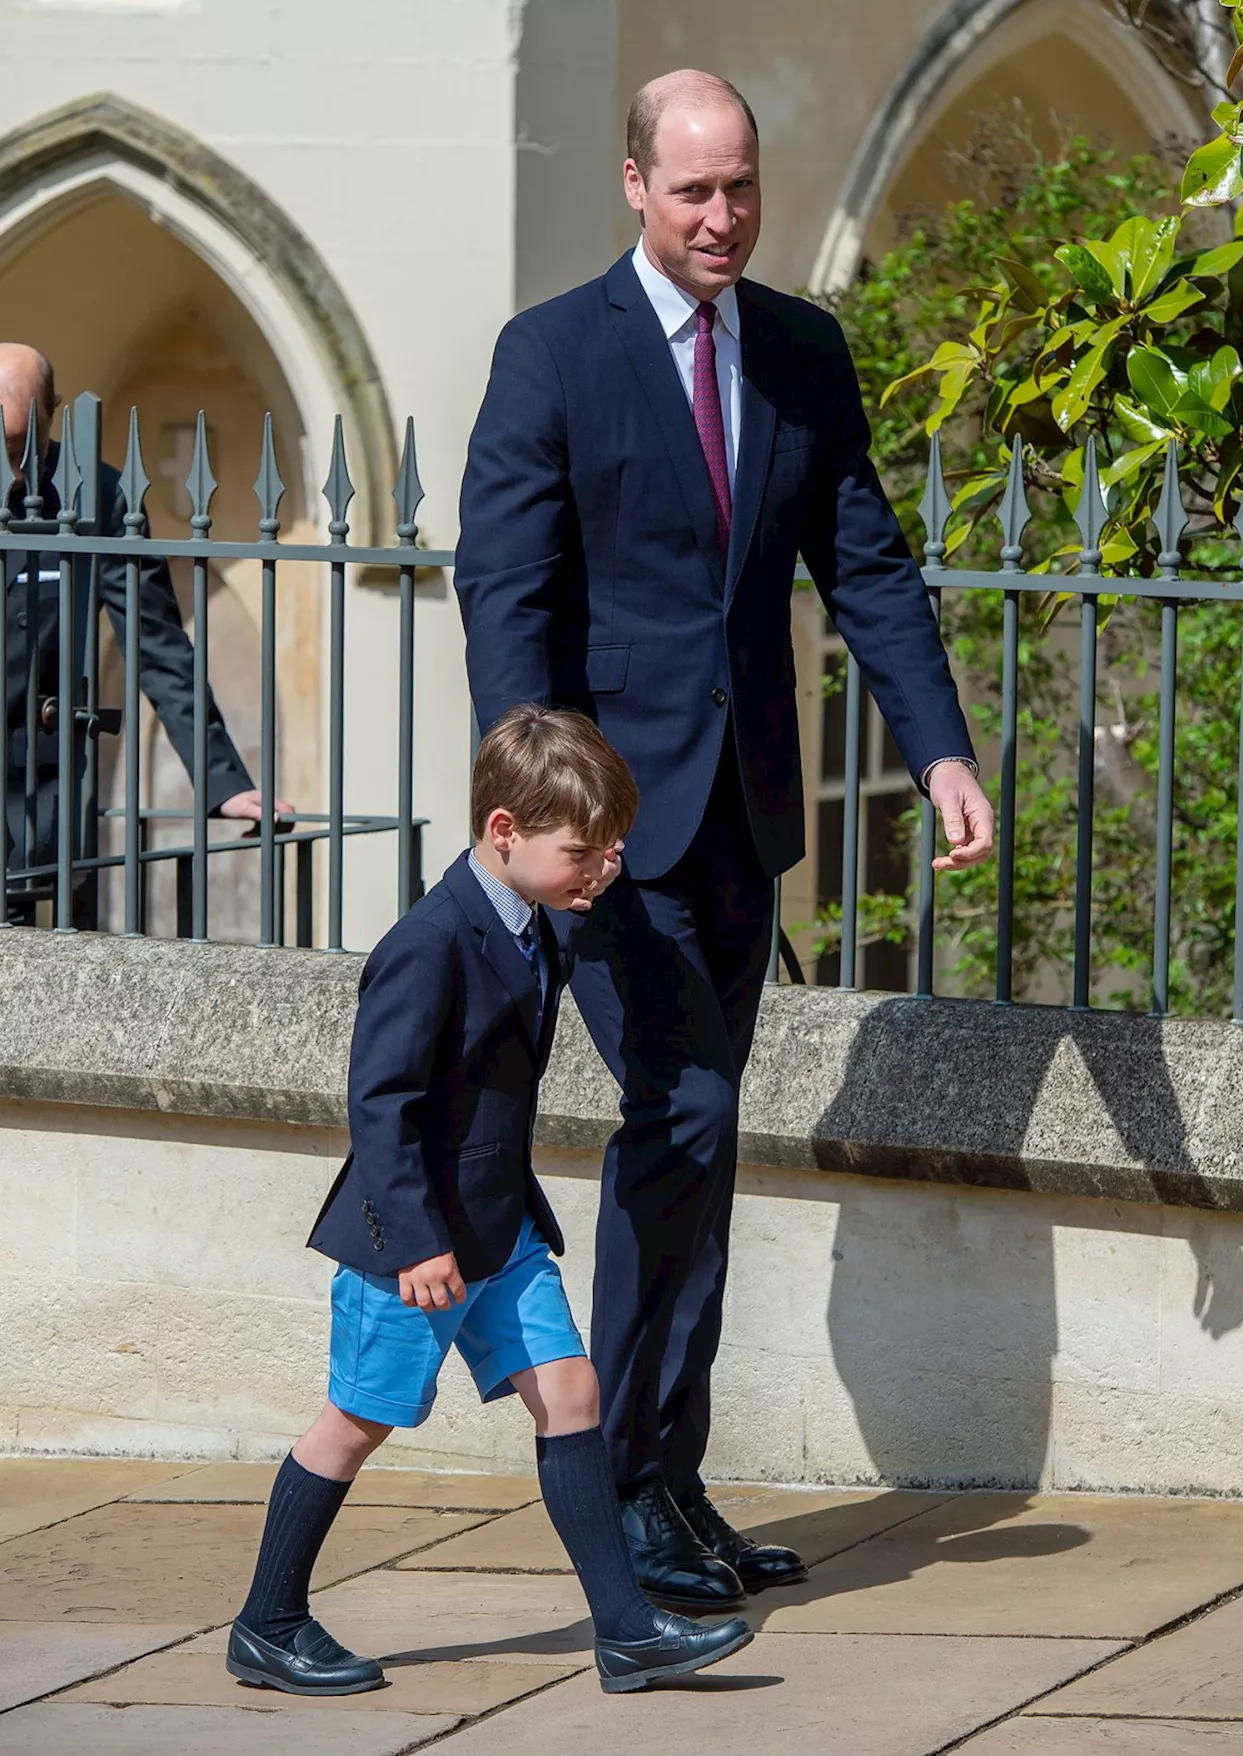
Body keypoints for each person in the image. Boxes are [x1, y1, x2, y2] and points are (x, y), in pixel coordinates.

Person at [454, 70, 996, 1608]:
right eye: (692, 191)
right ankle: (624, 1484)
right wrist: (547, 806)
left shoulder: (805, 352)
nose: (722, 217)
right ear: (634, 186)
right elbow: (508, 593)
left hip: (745, 813)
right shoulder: (554, 352)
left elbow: (869, 566)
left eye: (740, 186)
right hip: (609, 828)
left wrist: (940, 749)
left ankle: (667, 1484)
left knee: (699, 1145)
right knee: (680, 1121)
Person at [227, 705, 753, 1698]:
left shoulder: (539, 920)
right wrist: (417, 1241)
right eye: (582, 852)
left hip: (498, 1230)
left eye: (610, 851)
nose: (602, 869)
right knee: (354, 1418)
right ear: (504, 830)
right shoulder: (429, 941)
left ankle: (627, 1630)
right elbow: (380, 1107)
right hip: (415, 1243)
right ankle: (269, 1619)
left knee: (571, 1394)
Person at [1, 345, 286, 924]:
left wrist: (219, 779)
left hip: (37, 789)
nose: (17, 472)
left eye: (23, 446)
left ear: (54, 412)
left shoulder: (97, 496)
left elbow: (156, 642)